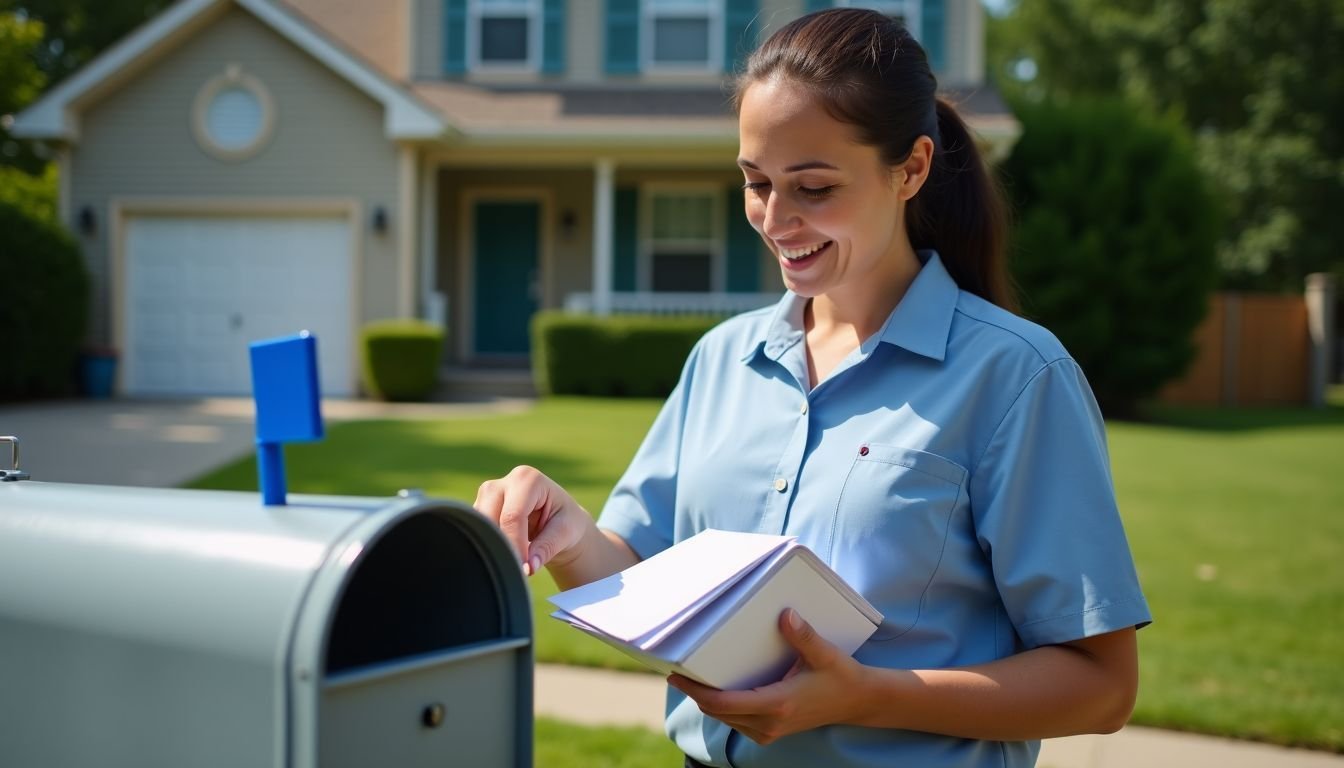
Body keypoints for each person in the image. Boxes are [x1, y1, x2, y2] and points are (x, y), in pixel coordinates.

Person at [474, 8, 1151, 767]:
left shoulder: (1016, 377)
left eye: (815, 187)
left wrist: (869, 695)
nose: (776, 218)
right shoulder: (722, 360)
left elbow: (1100, 686)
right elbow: (642, 575)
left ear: (912, 169)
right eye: (755, 182)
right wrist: (568, 534)